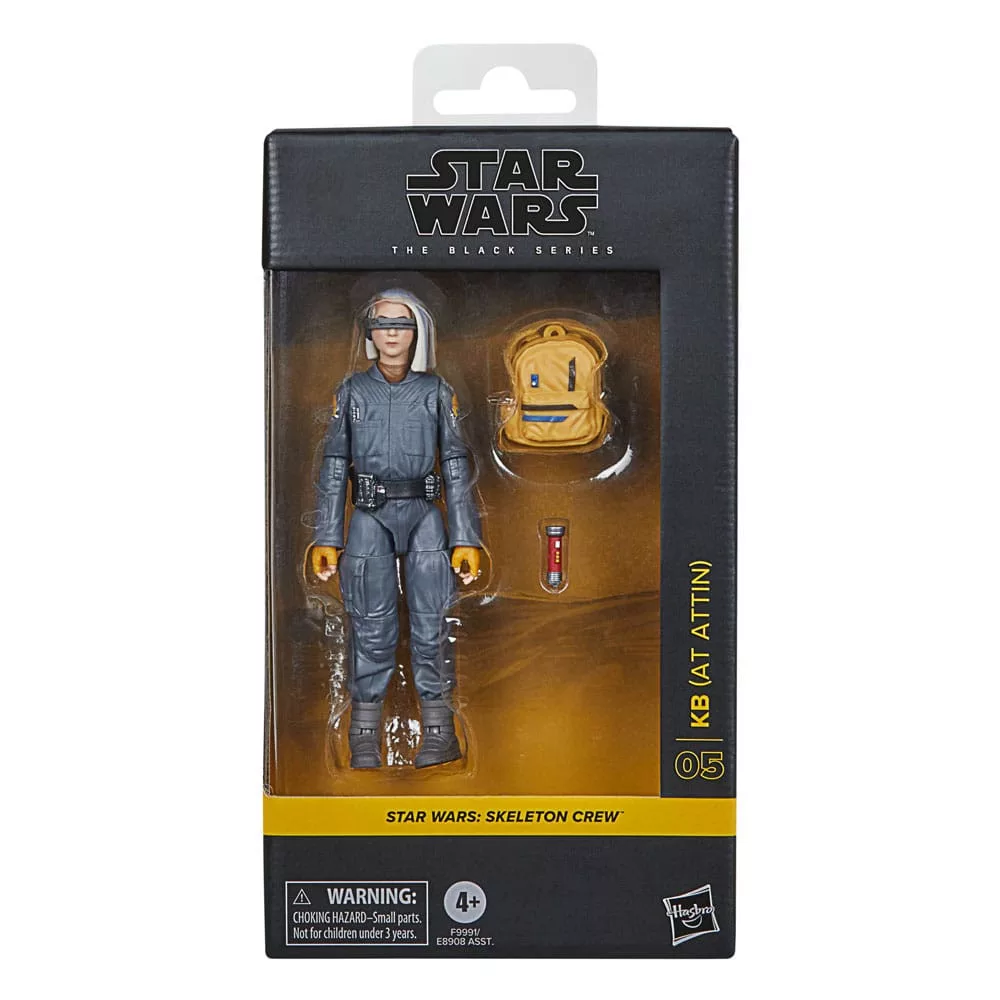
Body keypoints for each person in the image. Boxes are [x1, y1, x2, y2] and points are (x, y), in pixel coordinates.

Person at [309, 290, 482, 768]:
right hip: (369, 517)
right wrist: (327, 536)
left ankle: (440, 734)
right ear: (369, 333)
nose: (391, 332)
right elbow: (333, 465)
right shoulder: (351, 392)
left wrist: (465, 538)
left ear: (416, 333)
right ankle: (364, 737)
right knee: (370, 626)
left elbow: (455, 464)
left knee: (432, 626)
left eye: (401, 324)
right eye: (382, 323)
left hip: (425, 516)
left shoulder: (435, 392)